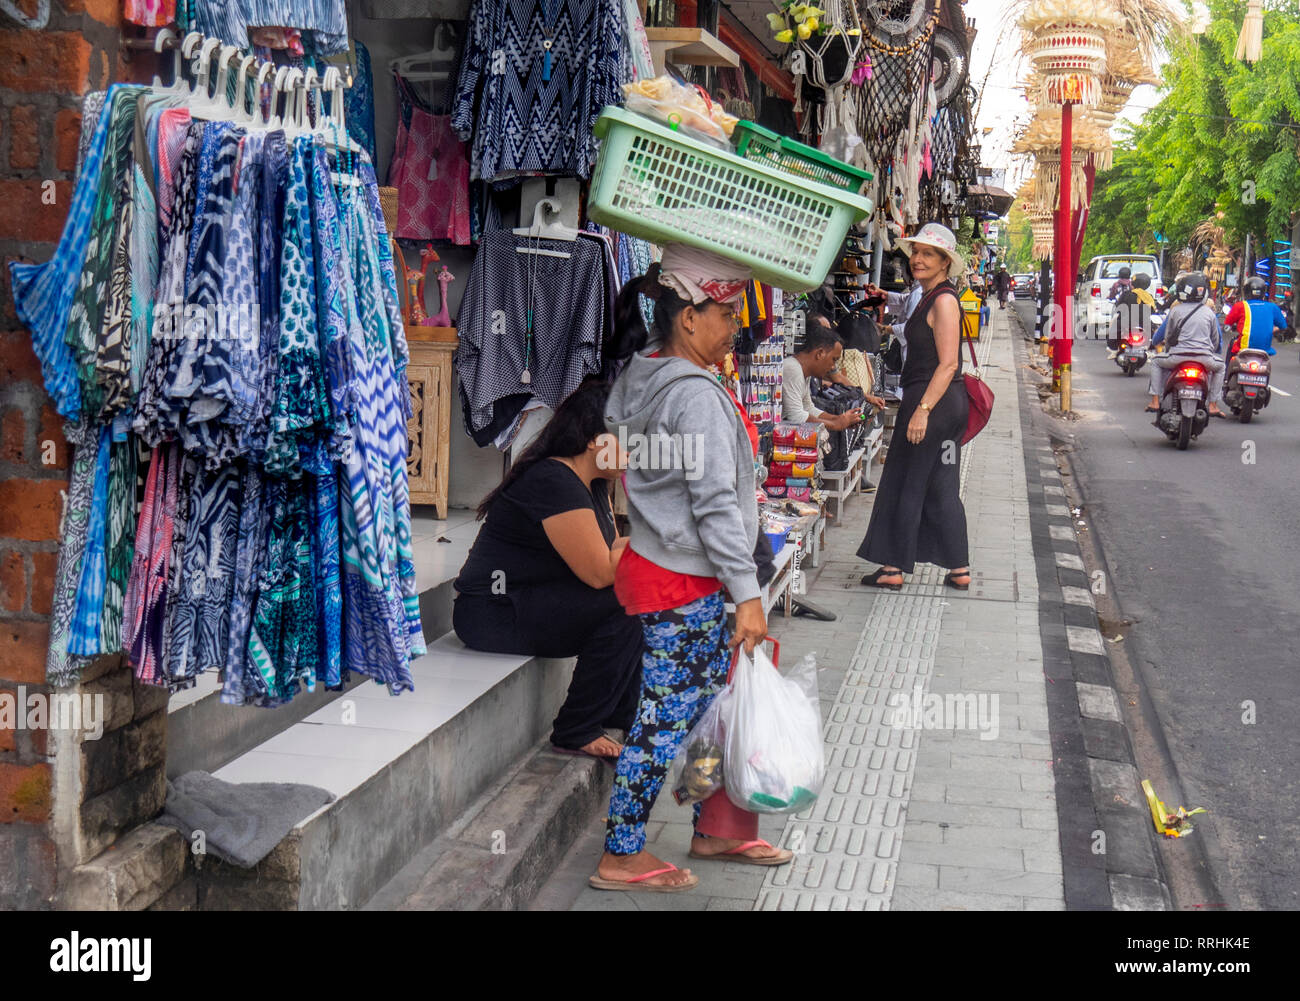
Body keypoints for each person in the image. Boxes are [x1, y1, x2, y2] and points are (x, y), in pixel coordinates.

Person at [591, 244, 792, 894]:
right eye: (727, 313)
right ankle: (621, 853)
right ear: (687, 318)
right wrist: (748, 594)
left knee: (703, 702)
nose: (735, 326)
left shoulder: (638, 378)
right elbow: (711, 504)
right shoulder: (695, 395)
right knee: (662, 719)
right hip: (688, 580)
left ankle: (711, 822)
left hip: (658, 566)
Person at [452, 379, 642, 761]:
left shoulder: (592, 485)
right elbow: (601, 573)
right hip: (492, 611)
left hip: (528, 599)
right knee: (625, 600)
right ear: (595, 439)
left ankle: (621, 713)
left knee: (643, 588)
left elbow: (613, 551)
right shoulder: (554, 480)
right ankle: (577, 727)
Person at [858, 223, 971, 592]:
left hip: (933, 402)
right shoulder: (928, 295)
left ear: (944, 263)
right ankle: (959, 567)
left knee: (905, 477)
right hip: (940, 403)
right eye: (916, 253)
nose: (918, 260)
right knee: (940, 482)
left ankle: (893, 567)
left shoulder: (943, 300)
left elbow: (949, 363)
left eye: (928, 254)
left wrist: (922, 409)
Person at [1146, 271, 1227, 417]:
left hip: (1177, 357)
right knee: (1221, 367)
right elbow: (1215, 339)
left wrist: (1169, 350)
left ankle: (1155, 400)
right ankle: (1213, 404)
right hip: (1204, 359)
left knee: (1156, 362)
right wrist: (1212, 351)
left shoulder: (1175, 310)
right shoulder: (1209, 313)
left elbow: (1168, 336)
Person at [782, 323, 864, 429]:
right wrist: (835, 424)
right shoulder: (792, 369)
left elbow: (808, 408)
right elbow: (796, 416)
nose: (832, 367)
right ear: (820, 353)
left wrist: (839, 419)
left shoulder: (803, 372)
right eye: (833, 360)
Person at [1223, 276, 1286, 363]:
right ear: (1263, 292)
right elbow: (1283, 326)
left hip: (1243, 349)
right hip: (1264, 351)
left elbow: (1227, 324)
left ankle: (1226, 375)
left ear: (1246, 292)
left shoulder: (1240, 305)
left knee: (1232, 344)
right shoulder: (1272, 307)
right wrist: (1270, 330)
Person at [1107, 272, 1156, 360]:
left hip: (1126, 322)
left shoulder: (1126, 294)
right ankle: (1150, 351)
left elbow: (1118, 307)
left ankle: (1114, 350)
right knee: (1153, 332)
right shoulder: (1149, 297)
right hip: (1144, 323)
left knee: (1114, 328)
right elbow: (1153, 310)